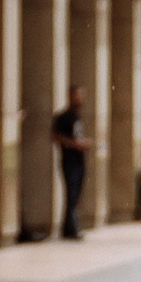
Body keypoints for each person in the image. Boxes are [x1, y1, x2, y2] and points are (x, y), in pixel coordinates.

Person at [53, 82, 89, 239]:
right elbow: (55, 136)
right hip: (70, 161)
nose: (80, 98)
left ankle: (71, 226)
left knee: (76, 194)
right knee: (71, 194)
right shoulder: (63, 117)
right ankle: (70, 229)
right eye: (77, 95)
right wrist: (75, 144)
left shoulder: (76, 116)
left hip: (79, 160)